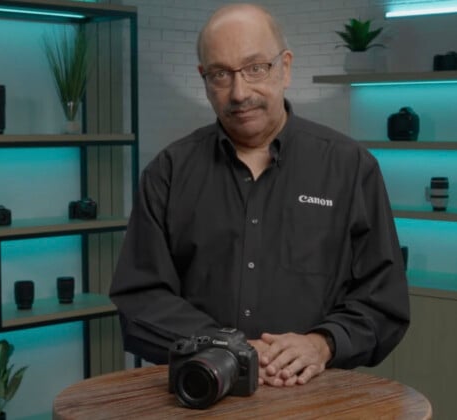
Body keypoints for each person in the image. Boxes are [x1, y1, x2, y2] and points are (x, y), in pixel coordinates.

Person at [109, 3, 409, 387]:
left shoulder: (351, 168)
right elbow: (140, 300)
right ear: (204, 78)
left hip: (315, 395)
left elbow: (385, 302)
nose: (239, 92)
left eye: (255, 68)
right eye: (220, 74)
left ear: (284, 67)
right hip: (200, 394)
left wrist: (322, 344)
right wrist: (228, 347)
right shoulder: (167, 173)